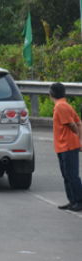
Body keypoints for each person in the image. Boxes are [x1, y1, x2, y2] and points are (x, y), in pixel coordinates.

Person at [49, 83, 82, 211]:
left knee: (71, 174)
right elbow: (79, 123)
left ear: (51, 95)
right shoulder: (65, 105)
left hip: (67, 145)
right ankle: (72, 200)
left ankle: (79, 200)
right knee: (67, 175)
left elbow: (74, 124)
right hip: (63, 146)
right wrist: (80, 140)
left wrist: (77, 137)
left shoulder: (61, 106)